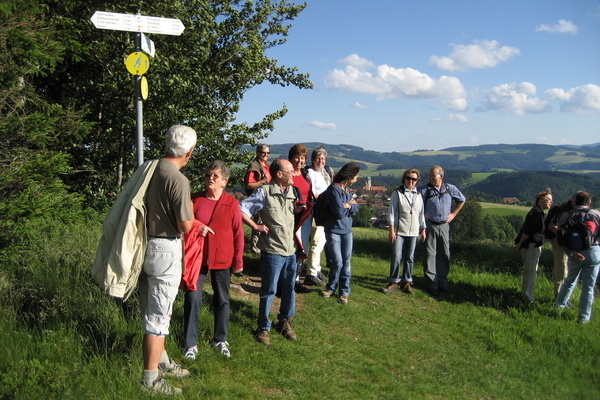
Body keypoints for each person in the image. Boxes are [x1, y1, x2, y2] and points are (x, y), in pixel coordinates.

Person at [139, 125, 197, 395]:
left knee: (157, 306)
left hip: (144, 244)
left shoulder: (150, 168)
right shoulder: (178, 179)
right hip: (166, 247)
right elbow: (185, 225)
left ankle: (161, 361)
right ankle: (150, 379)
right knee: (158, 316)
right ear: (190, 151)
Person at [182, 161, 244, 360]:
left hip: (222, 257)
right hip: (197, 257)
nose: (210, 178)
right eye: (209, 174)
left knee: (222, 300)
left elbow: (238, 233)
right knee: (193, 298)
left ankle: (220, 339)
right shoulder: (195, 200)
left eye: (215, 176)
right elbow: (185, 222)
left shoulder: (232, 203)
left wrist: (238, 261)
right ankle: (190, 343)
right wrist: (197, 226)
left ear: (224, 182)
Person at [240, 158, 304, 345]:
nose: (294, 173)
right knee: (268, 290)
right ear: (279, 174)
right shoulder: (265, 192)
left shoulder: (292, 191)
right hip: (273, 251)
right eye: (290, 171)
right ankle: (263, 327)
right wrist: (256, 226)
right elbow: (242, 209)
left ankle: (284, 321)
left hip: (290, 250)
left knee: (289, 289)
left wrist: (299, 210)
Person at [418, 166, 466, 296]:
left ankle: (442, 283)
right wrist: (422, 216)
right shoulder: (423, 190)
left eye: (434, 175)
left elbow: (462, 200)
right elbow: (416, 206)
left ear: (441, 176)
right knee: (430, 255)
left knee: (444, 254)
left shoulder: (450, 189)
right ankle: (431, 285)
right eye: (430, 175)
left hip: (444, 226)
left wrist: (454, 214)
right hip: (430, 226)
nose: (432, 178)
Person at [554, 191, 600, 324]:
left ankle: (558, 307)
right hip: (593, 252)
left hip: (574, 252)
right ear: (589, 203)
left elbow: (561, 238)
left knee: (569, 281)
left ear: (574, 202)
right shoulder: (596, 214)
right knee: (589, 287)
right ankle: (584, 318)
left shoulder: (566, 215)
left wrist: (571, 253)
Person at [382, 168, 427, 295]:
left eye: (414, 179)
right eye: (408, 178)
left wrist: (423, 229)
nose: (411, 181)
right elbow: (391, 213)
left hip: (413, 231)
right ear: (404, 179)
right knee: (397, 256)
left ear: (417, 181)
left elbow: (421, 214)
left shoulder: (419, 195)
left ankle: (407, 282)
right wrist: (391, 230)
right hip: (400, 230)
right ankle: (394, 282)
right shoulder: (397, 193)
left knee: (410, 258)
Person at [320, 162, 360, 304]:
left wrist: (348, 206)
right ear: (350, 175)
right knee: (337, 261)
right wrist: (349, 205)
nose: (357, 177)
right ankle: (331, 287)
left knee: (346, 262)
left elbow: (356, 208)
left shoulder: (346, 190)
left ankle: (344, 291)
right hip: (334, 230)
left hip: (347, 230)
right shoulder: (334, 189)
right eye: (356, 175)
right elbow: (338, 212)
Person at [513, 189, 553, 304]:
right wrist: (519, 244)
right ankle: (527, 298)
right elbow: (527, 230)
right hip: (531, 246)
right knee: (531, 272)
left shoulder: (538, 212)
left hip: (532, 245)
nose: (551, 202)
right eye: (549, 200)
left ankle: (525, 295)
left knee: (530, 271)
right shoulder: (536, 212)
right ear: (541, 199)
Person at [304, 146, 334, 286]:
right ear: (313, 160)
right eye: (318, 158)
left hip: (324, 211)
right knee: (316, 242)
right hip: (316, 211)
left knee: (321, 242)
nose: (321, 161)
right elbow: (313, 194)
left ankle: (317, 269)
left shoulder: (325, 172)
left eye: (323, 158)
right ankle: (311, 273)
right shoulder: (310, 173)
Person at [288, 144, 312, 293]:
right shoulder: (287, 174)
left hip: (306, 217)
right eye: (297, 157)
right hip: (291, 218)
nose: (299, 161)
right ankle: (288, 280)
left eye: (302, 158)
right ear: (291, 158)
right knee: (292, 248)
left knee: (303, 248)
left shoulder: (305, 175)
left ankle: (296, 279)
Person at [244, 144, 272, 253]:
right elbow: (249, 185)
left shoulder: (265, 165)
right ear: (257, 152)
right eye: (263, 152)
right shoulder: (254, 166)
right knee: (259, 222)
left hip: (266, 198)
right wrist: (263, 181)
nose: (265, 154)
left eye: (268, 153)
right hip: (258, 199)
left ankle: (260, 246)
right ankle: (255, 247)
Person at [544, 197, 573, 298]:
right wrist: (565, 236)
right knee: (562, 267)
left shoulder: (566, 209)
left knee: (564, 267)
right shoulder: (564, 211)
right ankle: (560, 297)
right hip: (560, 242)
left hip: (561, 242)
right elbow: (552, 226)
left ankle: (563, 296)